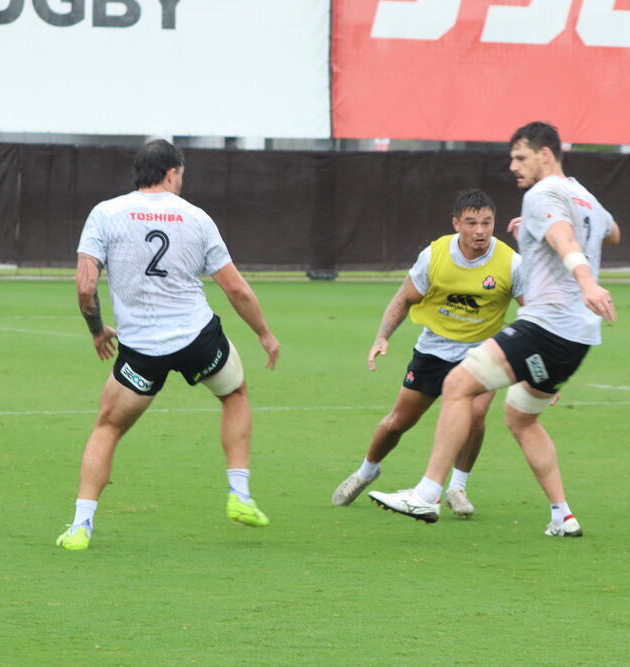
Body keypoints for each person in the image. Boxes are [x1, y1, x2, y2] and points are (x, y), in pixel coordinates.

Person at [368, 121, 621, 537]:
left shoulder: (541, 194)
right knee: (521, 418)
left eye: (520, 157)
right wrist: (537, 233)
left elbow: (565, 239)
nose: (513, 166)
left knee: (457, 385)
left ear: (545, 154)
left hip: (546, 325)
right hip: (578, 336)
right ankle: (562, 515)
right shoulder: (584, 196)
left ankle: (427, 493)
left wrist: (585, 279)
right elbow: (611, 233)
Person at [56, 139, 280, 551]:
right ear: (173, 172)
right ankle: (240, 494)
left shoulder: (105, 213)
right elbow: (236, 289)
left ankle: (80, 526)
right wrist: (264, 333)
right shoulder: (196, 217)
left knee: (108, 428)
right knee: (234, 394)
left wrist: (97, 330)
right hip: (197, 338)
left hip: (141, 349)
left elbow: (85, 287)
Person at [331, 189, 523, 517]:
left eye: (487, 222)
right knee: (398, 422)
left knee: (475, 415)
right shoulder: (435, 255)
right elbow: (404, 299)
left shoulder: (511, 262)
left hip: (481, 353)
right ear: (456, 224)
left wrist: (539, 369)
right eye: (471, 223)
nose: (480, 230)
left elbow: (533, 314)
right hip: (435, 350)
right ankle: (366, 472)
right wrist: (382, 337)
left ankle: (457, 487)